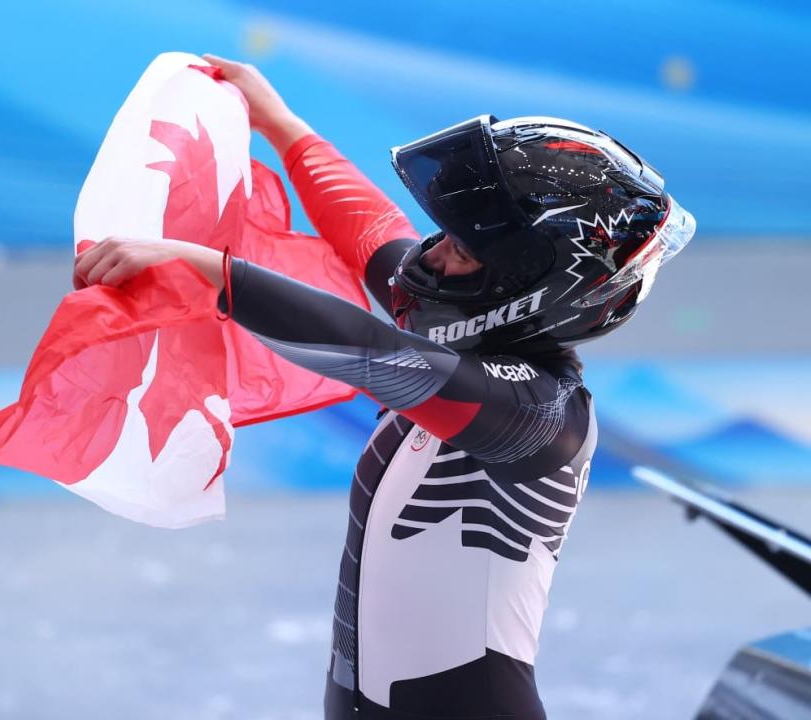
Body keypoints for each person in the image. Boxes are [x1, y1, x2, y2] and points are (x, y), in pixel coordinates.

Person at [74, 55, 695, 720]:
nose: (430, 256)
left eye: (462, 250)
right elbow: (370, 232)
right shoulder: (470, 333)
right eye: (445, 235)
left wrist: (204, 266)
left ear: (530, 293)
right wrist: (282, 127)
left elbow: (373, 353)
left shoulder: (541, 415)